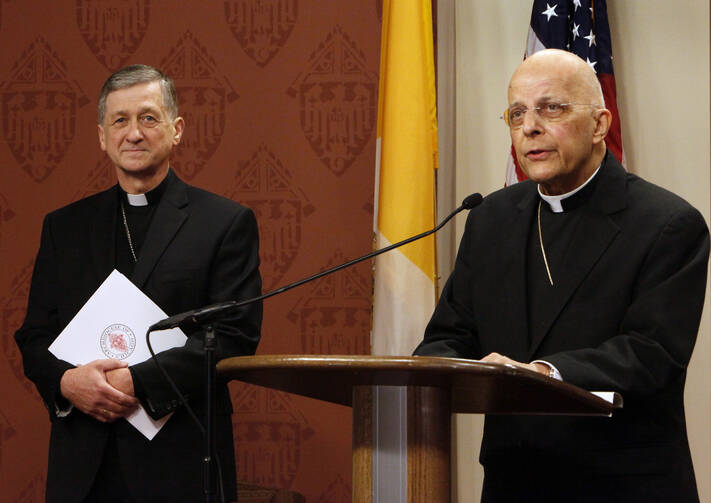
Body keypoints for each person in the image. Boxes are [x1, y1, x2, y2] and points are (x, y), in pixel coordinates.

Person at [414, 49, 709, 502]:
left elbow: (652, 353)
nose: (529, 126)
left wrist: (540, 374)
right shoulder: (491, 219)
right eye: (516, 114)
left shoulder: (666, 223)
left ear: (599, 124)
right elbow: (450, 335)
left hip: (622, 485)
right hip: (514, 482)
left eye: (551, 108)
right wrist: (445, 369)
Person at [15, 65, 262, 502]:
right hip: (83, 467)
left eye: (148, 118)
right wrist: (67, 383)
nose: (134, 133)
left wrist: (140, 383)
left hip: (180, 463)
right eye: (120, 120)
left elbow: (233, 337)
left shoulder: (224, 223)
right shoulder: (64, 227)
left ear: (176, 129)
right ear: (101, 135)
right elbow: (35, 336)